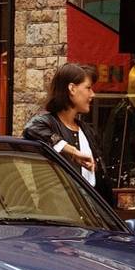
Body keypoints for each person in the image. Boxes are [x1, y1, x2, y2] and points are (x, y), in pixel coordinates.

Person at [23, 63, 114, 204]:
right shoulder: (47, 123)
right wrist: (71, 151)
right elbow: (31, 129)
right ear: (72, 88)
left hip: (91, 218)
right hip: (58, 218)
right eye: (88, 88)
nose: (92, 94)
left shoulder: (87, 131)